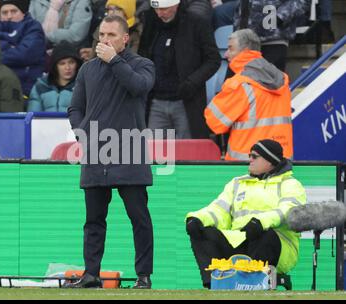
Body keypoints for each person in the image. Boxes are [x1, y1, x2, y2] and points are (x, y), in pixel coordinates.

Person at [67, 15, 155, 289]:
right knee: (93, 221)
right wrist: (84, 133)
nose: (104, 41)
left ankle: (143, 276)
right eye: (101, 35)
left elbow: (139, 86)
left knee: (139, 218)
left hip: (130, 151)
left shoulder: (143, 65)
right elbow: (75, 108)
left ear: (125, 38)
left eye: (111, 36)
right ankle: (91, 274)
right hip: (96, 153)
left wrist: (114, 60)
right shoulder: (87, 70)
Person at [185, 139, 306, 289]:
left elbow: (288, 210)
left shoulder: (290, 184)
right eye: (250, 155)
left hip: (277, 247)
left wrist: (260, 222)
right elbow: (218, 209)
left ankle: (252, 284)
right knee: (201, 231)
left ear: (270, 161)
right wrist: (197, 218)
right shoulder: (237, 183)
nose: (250, 159)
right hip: (242, 241)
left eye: (255, 156)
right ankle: (215, 283)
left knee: (267, 235)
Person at [204, 29, 293, 161]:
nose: (227, 54)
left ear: (245, 50)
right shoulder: (282, 80)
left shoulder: (238, 84)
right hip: (281, 160)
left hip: (247, 162)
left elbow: (215, 122)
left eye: (231, 48)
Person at [138, 0, 220, 139]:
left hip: (186, 101)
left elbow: (213, 60)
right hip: (156, 101)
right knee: (153, 154)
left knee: (188, 155)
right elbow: (142, 56)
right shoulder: (151, 24)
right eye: (157, 9)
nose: (159, 13)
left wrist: (192, 83)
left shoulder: (197, 23)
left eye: (164, 9)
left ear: (176, 5)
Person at [0, 0, 46, 97]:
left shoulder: (33, 27)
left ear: (23, 13)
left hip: (24, 87)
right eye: (4, 12)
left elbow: (24, 55)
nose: (9, 16)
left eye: (13, 11)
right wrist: (10, 46)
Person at [234, 0, 310, 71]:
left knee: (269, 80)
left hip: (274, 39)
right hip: (246, 41)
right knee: (240, 80)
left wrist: (279, 17)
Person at [28, 41, 82, 112]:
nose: (67, 67)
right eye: (62, 63)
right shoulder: (40, 86)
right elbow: (33, 116)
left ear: (77, 64)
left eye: (71, 62)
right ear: (55, 66)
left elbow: (93, 118)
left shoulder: (84, 87)